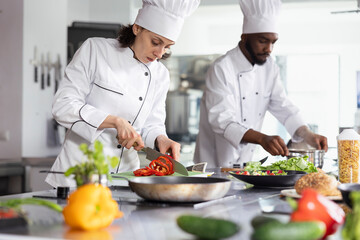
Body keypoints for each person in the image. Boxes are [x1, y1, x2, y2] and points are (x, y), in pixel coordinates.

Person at [46, 0, 200, 187]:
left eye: (167, 46)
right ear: (137, 28)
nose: (160, 53)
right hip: (79, 177)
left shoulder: (160, 75)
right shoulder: (95, 50)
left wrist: (161, 138)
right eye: (155, 42)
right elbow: (63, 106)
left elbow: (152, 123)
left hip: (126, 179)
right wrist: (115, 121)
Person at [194, 0, 328, 168]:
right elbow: (222, 120)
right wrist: (261, 138)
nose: (269, 48)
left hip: (247, 165)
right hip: (213, 166)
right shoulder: (222, 67)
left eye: (273, 42)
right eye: (263, 41)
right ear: (245, 37)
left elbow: (282, 105)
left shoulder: (270, 67)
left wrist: (306, 134)